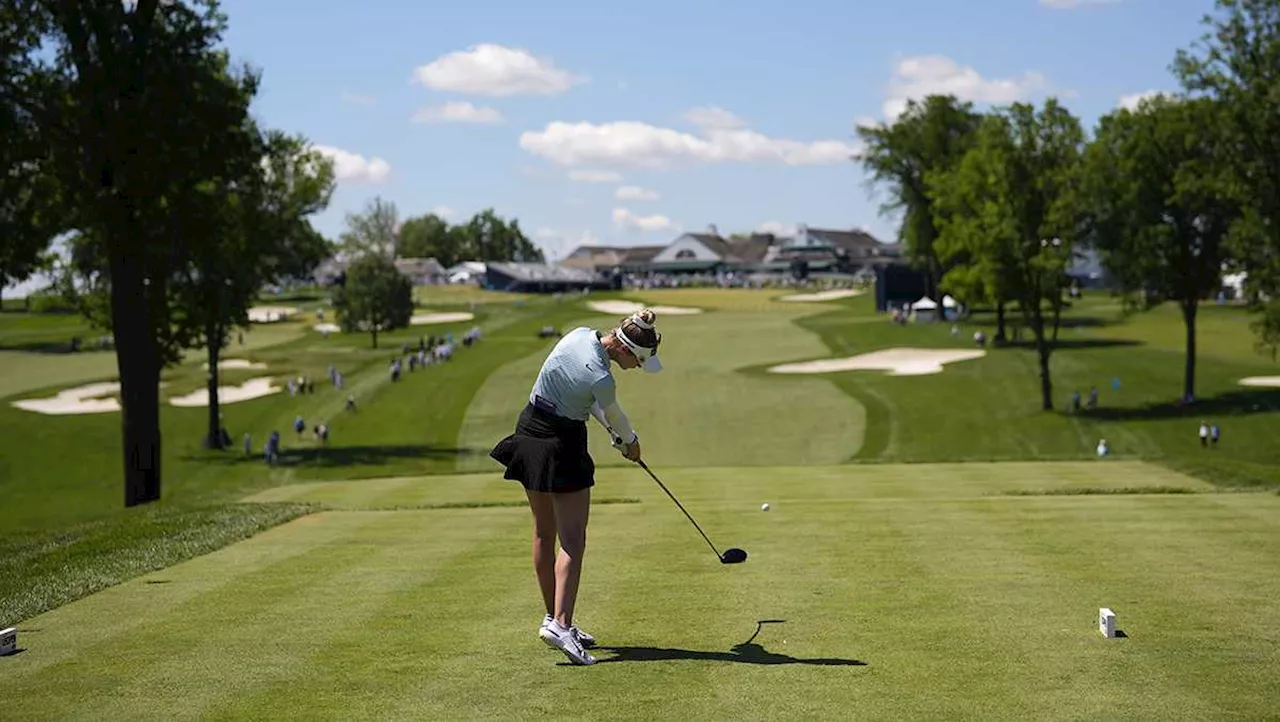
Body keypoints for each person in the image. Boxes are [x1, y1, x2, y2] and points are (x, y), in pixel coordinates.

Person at [489, 308, 664, 666]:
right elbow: (615, 415)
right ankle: (562, 625)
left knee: (543, 534)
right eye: (639, 363)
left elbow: (588, 400)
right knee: (573, 539)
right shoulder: (603, 377)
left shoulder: (579, 335)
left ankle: (554, 618)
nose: (636, 370)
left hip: (529, 430)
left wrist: (613, 432)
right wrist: (630, 443)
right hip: (562, 443)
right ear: (629, 351)